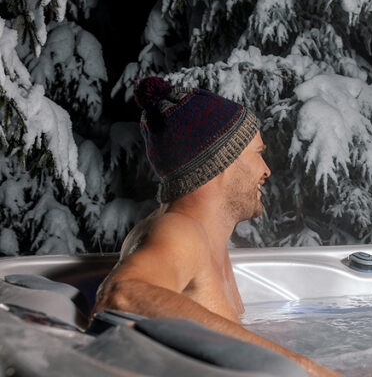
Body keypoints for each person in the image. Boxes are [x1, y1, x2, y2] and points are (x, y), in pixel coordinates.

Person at [92, 77, 341, 377]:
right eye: (258, 153)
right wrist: (306, 368)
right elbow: (121, 294)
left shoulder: (206, 239)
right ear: (222, 159)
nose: (266, 170)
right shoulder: (180, 231)